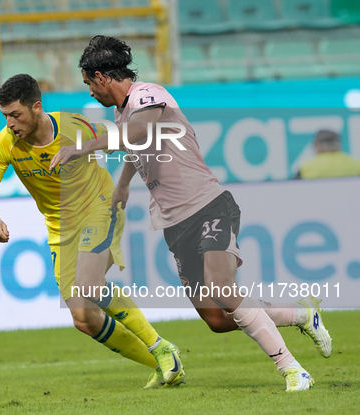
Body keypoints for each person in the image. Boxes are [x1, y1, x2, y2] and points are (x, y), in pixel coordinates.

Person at [51, 36, 332, 392]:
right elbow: (139, 145)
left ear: (102, 77)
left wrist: (85, 146)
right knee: (216, 318)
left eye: (89, 83)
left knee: (223, 290)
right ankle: (303, 314)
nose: (90, 92)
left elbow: (140, 132)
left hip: (209, 206)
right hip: (175, 223)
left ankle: (293, 370)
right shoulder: (122, 112)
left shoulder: (149, 95)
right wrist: (122, 184)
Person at [0, 74, 185, 389]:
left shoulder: (74, 128)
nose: (10, 123)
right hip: (60, 228)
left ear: (37, 107)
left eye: (15, 114)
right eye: (5, 116)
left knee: (90, 284)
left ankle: (161, 347)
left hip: (99, 208)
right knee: (84, 319)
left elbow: (131, 139)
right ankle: (164, 363)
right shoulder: (6, 143)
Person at [295, 130, 360, 179]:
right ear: (339, 145)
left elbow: (294, 187)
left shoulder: (306, 167)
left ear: (317, 146)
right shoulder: (356, 164)